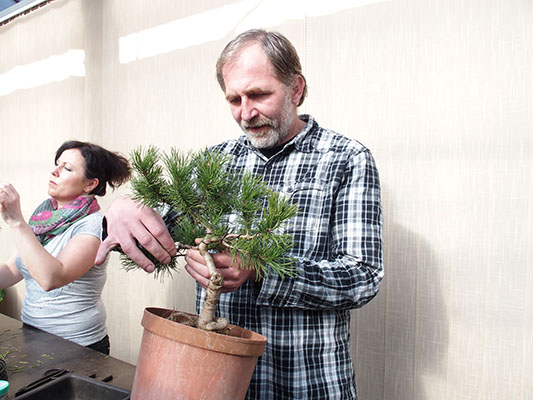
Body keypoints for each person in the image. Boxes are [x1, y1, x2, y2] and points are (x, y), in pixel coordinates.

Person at [96, 29, 383, 398]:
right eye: (234, 99)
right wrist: (121, 210)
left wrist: (261, 269)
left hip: (305, 382)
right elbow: (156, 229)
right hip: (217, 381)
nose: (246, 113)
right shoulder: (213, 161)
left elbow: (363, 277)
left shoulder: (346, 159)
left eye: (259, 94)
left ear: (296, 89)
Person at [0, 140, 131, 355]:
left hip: (78, 348)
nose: (55, 171)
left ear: (90, 184)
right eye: (57, 164)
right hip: (32, 338)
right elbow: (12, 270)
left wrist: (16, 222)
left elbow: (52, 278)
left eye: (67, 168)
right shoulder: (43, 219)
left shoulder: (94, 225)